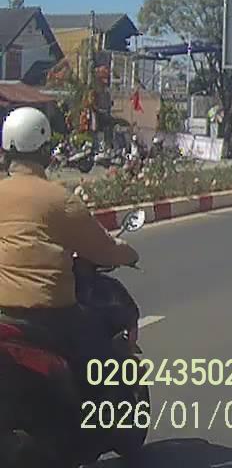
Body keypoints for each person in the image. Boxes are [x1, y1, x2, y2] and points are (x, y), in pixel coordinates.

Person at [0, 107, 139, 367]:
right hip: (52, 316)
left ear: (6, 151)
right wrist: (130, 254)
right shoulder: (61, 200)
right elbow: (104, 249)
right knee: (107, 363)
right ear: (45, 151)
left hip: (3, 315)